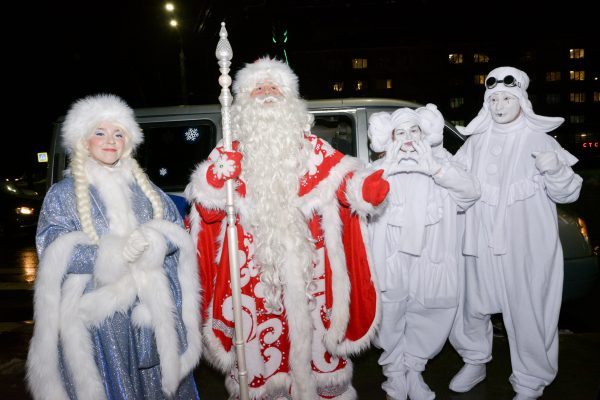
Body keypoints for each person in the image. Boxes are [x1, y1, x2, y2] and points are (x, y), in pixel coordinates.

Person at [185, 57, 388, 399]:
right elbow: (205, 210)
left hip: (310, 276)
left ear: (291, 99)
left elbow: (344, 179)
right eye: (258, 89)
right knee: (259, 354)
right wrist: (217, 177)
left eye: (274, 87)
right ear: (243, 102)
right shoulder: (229, 152)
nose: (266, 94)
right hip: (252, 280)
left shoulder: (314, 150)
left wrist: (364, 190)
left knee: (314, 345)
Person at [26, 94, 202, 399]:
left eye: (118, 133)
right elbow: (54, 249)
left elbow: (177, 235)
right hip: (100, 325)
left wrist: (155, 242)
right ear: (83, 141)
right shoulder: (62, 194)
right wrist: (116, 253)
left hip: (148, 315)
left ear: (129, 142)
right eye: (100, 132)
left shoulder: (149, 191)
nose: (110, 141)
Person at [448, 66, 583, 400]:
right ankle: (475, 360)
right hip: (479, 241)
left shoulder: (540, 140)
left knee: (528, 310)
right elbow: (456, 185)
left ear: (521, 100)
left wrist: (555, 170)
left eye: (507, 98)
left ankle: (530, 379)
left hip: (525, 245)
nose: (499, 105)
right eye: (493, 98)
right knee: (471, 306)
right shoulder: (476, 141)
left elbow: (569, 194)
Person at [367, 104, 480, 400]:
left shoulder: (441, 164)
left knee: (431, 309)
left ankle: (415, 371)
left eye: (413, 130)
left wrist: (436, 169)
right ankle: (394, 375)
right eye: (400, 132)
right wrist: (385, 171)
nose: (407, 138)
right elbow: (360, 203)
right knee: (389, 312)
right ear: (390, 137)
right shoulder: (378, 168)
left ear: (423, 133)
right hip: (390, 254)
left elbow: (470, 193)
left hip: (433, 253)